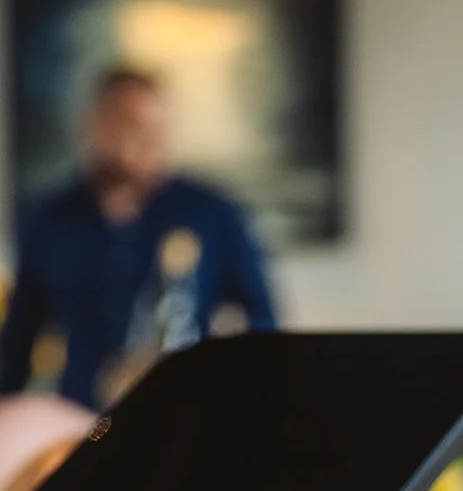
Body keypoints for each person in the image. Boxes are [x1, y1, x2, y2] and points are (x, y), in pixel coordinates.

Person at [1, 66, 277, 407]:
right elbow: (19, 337)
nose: (150, 143)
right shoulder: (48, 221)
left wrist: (250, 397)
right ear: (93, 124)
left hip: (185, 415)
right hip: (91, 421)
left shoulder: (212, 214)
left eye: (158, 130)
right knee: (92, 448)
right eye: (133, 126)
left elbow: (262, 321)